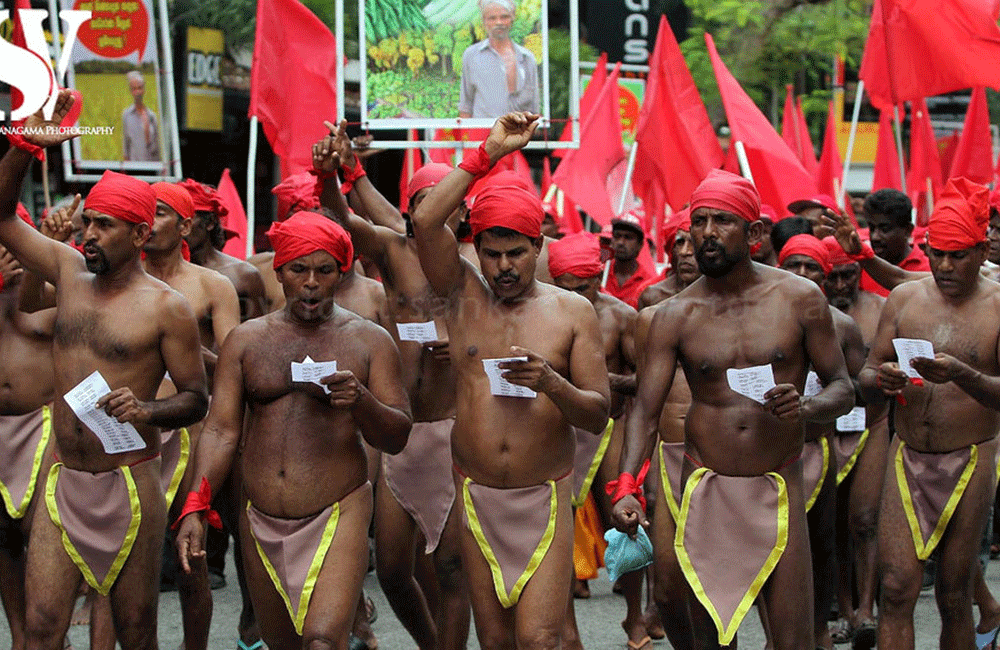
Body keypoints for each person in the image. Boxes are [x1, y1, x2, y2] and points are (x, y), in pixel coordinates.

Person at [0, 91, 209, 649]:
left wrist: (149, 409)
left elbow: (196, 398)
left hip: (129, 483)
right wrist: (22, 146)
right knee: (43, 626)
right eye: (88, 222)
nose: (88, 234)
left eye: (105, 225)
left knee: (135, 629)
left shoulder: (168, 308)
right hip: (63, 479)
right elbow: (1, 217)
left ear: (141, 236)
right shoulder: (69, 273)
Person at [613, 169, 854, 650]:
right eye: (698, 221)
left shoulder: (801, 299)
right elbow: (644, 410)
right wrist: (625, 487)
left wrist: (806, 407)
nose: (706, 233)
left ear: (756, 232)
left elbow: (843, 388)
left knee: (793, 642)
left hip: (779, 484)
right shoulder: (672, 316)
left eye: (721, 221)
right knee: (712, 642)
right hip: (706, 489)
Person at [412, 111, 610, 649]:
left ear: (539, 248)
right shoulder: (461, 294)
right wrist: (488, 153)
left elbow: (597, 411)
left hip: (544, 497)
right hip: (476, 495)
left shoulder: (571, 312)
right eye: (491, 253)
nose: (503, 266)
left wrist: (552, 384)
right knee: (495, 641)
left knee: (540, 639)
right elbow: (426, 223)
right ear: (476, 250)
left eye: (516, 253)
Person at [176, 211, 412, 649]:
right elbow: (221, 432)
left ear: (341, 273)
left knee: (322, 640)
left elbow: (397, 435)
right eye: (298, 269)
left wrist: (362, 400)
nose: (310, 282)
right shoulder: (247, 341)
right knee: (281, 642)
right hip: (259, 515)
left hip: (338, 510)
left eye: (324, 271)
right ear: (279, 273)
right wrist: (196, 505)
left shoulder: (370, 341)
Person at [313, 124, 473, 650]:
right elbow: (342, 224)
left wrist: (469, 342)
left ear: (461, 211)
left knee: (452, 568)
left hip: (457, 431)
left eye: (444, 203)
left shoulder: (476, 268)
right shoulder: (392, 250)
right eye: (424, 202)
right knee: (390, 570)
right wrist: (331, 177)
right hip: (403, 430)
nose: (434, 212)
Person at [857, 178, 1000, 650]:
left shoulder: (998, 306)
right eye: (936, 252)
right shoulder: (904, 299)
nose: (943, 265)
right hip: (908, 453)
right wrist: (884, 380)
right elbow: (866, 374)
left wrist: (963, 374)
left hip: (972, 455)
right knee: (895, 589)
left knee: (953, 594)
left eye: (957, 255)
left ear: (981, 252)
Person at [777, 234, 867, 650]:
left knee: (823, 541)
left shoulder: (843, 327)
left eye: (811, 267)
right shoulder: (765, 318)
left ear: (826, 276)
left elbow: (854, 389)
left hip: (820, 447)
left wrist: (813, 408)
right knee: (773, 546)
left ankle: (816, 629)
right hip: (771, 450)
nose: (801, 275)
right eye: (793, 266)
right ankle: (781, 634)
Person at [546, 232, 636, 650]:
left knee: (626, 522)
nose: (573, 295)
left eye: (581, 287)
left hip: (610, 427)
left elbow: (649, 380)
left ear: (599, 277)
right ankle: (568, 631)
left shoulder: (621, 318)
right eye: (563, 287)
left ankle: (635, 617)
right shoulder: (546, 314)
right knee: (556, 530)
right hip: (561, 429)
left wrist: (607, 381)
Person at [821, 237, 889, 649]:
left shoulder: (881, 310)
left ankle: (867, 609)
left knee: (864, 520)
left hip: (875, 422)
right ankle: (844, 610)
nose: (843, 284)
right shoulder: (813, 313)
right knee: (835, 525)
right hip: (830, 426)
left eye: (850, 274)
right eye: (834, 277)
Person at [0, 204, 57, 650]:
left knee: (42, 534)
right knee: (2, 538)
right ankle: (20, 635)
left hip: (41, 424)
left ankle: (44, 631)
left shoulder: (52, 290)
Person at [179, 179, 268, 322]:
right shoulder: (157, 273)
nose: (181, 226)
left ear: (210, 222)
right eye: (177, 218)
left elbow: (257, 338)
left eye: (188, 218)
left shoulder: (244, 275)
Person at [458, 0, 540, 118]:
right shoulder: (471, 55)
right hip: (482, 133)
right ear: (484, 21)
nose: (499, 22)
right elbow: (466, 104)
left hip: (517, 132)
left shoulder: (527, 58)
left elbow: (534, 107)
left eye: (504, 17)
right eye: (492, 18)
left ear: (512, 19)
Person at [860, 188, 930, 296]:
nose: (875, 237)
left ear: (908, 230)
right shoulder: (862, 269)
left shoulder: (929, 272)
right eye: (872, 228)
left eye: (885, 229)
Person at [637, 209, 697, 310]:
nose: (685, 251)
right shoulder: (651, 296)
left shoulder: (721, 298)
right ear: (671, 251)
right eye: (679, 242)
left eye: (694, 243)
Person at [604, 210, 657, 310]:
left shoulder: (649, 284)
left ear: (640, 245)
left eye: (628, 237)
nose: (620, 242)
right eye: (617, 236)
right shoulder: (601, 275)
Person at [121, 71, 160, 163]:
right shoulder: (127, 114)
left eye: (139, 88)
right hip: (134, 165)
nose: (137, 92)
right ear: (131, 91)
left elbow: (156, 145)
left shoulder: (151, 116)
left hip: (151, 165)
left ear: (143, 90)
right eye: (134, 89)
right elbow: (125, 143)